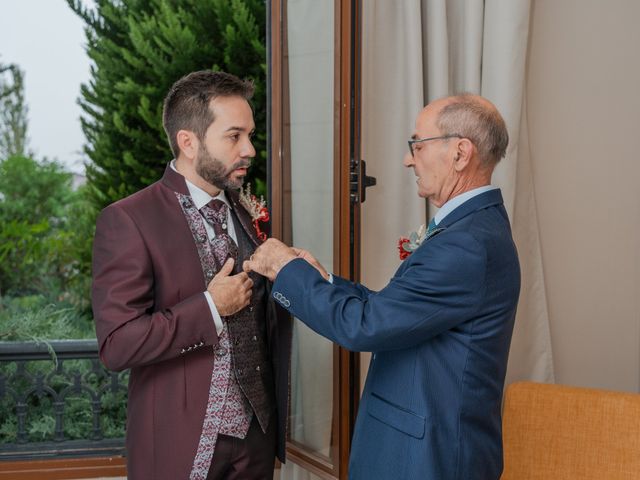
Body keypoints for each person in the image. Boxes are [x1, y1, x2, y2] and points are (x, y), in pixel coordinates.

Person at [244, 94, 521, 479]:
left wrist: (286, 269)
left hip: (429, 457)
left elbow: (366, 326)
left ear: (460, 153)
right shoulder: (474, 228)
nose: (409, 159)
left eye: (417, 145)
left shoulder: (467, 244)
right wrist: (322, 278)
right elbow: (397, 311)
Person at [92, 70, 291, 480]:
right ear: (188, 141)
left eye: (250, 135)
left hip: (256, 440)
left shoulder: (245, 212)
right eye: (234, 136)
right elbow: (117, 345)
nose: (250, 149)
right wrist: (210, 308)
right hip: (178, 442)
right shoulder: (130, 219)